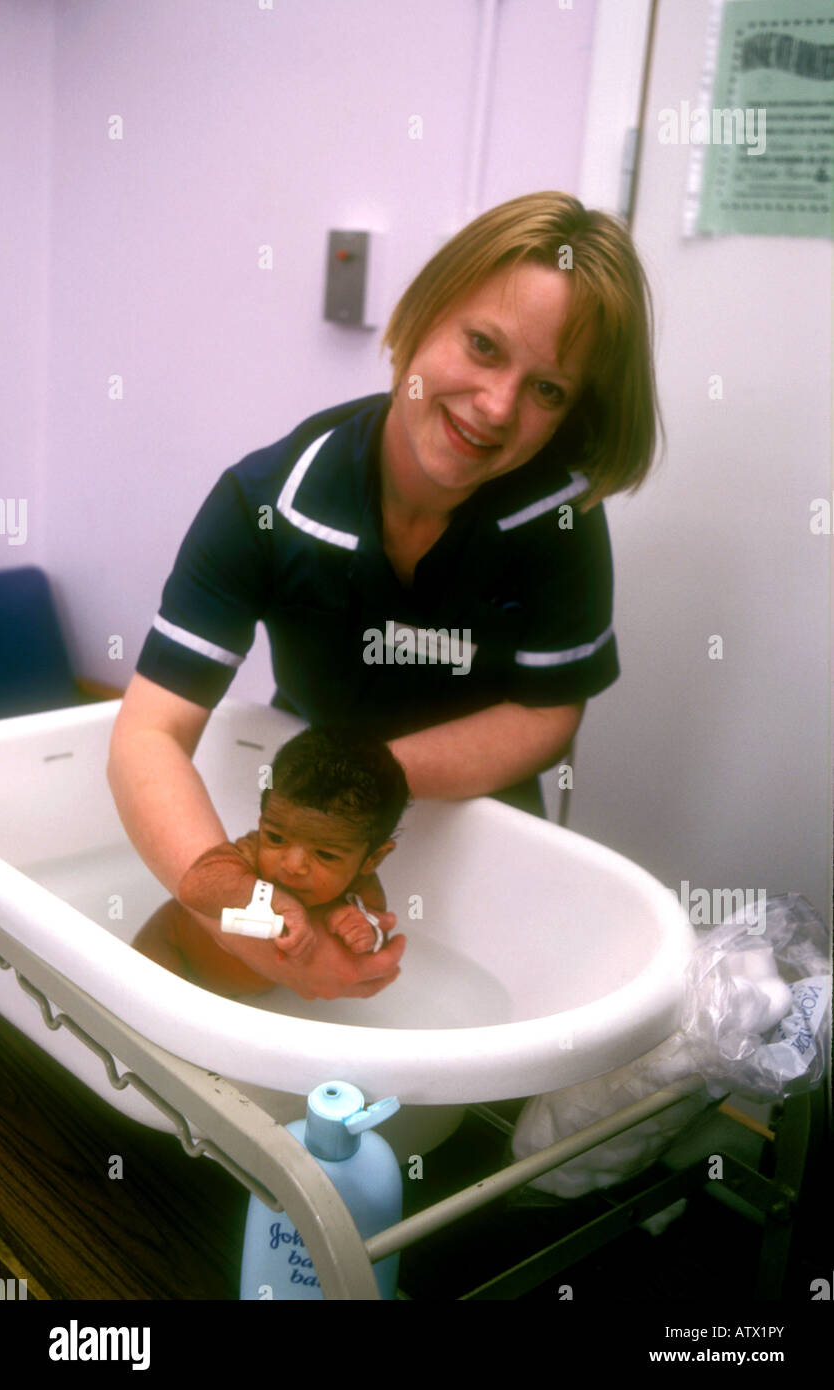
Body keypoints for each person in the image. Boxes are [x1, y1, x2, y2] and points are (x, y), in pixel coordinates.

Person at [108, 190, 661, 1001]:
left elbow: (547, 711)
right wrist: (254, 923)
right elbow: (149, 734)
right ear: (419, 316)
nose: (496, 406)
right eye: (482, 345)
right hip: (305, 824)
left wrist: (356, 791)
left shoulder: (557, 519)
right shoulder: (269, 501)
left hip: (473, 819)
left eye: (547, 390)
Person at [132, 727, 410, 998]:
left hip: (247, 996)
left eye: (325, 854)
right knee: (143, 1000)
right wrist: (277, 901)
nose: (292, 865)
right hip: (173, 946)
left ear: (373, 859)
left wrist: (364, 933)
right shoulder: (251, 853)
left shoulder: (361, 893)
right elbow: (194, 887)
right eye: (276, 837)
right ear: (261, 823)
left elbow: (373, 955)